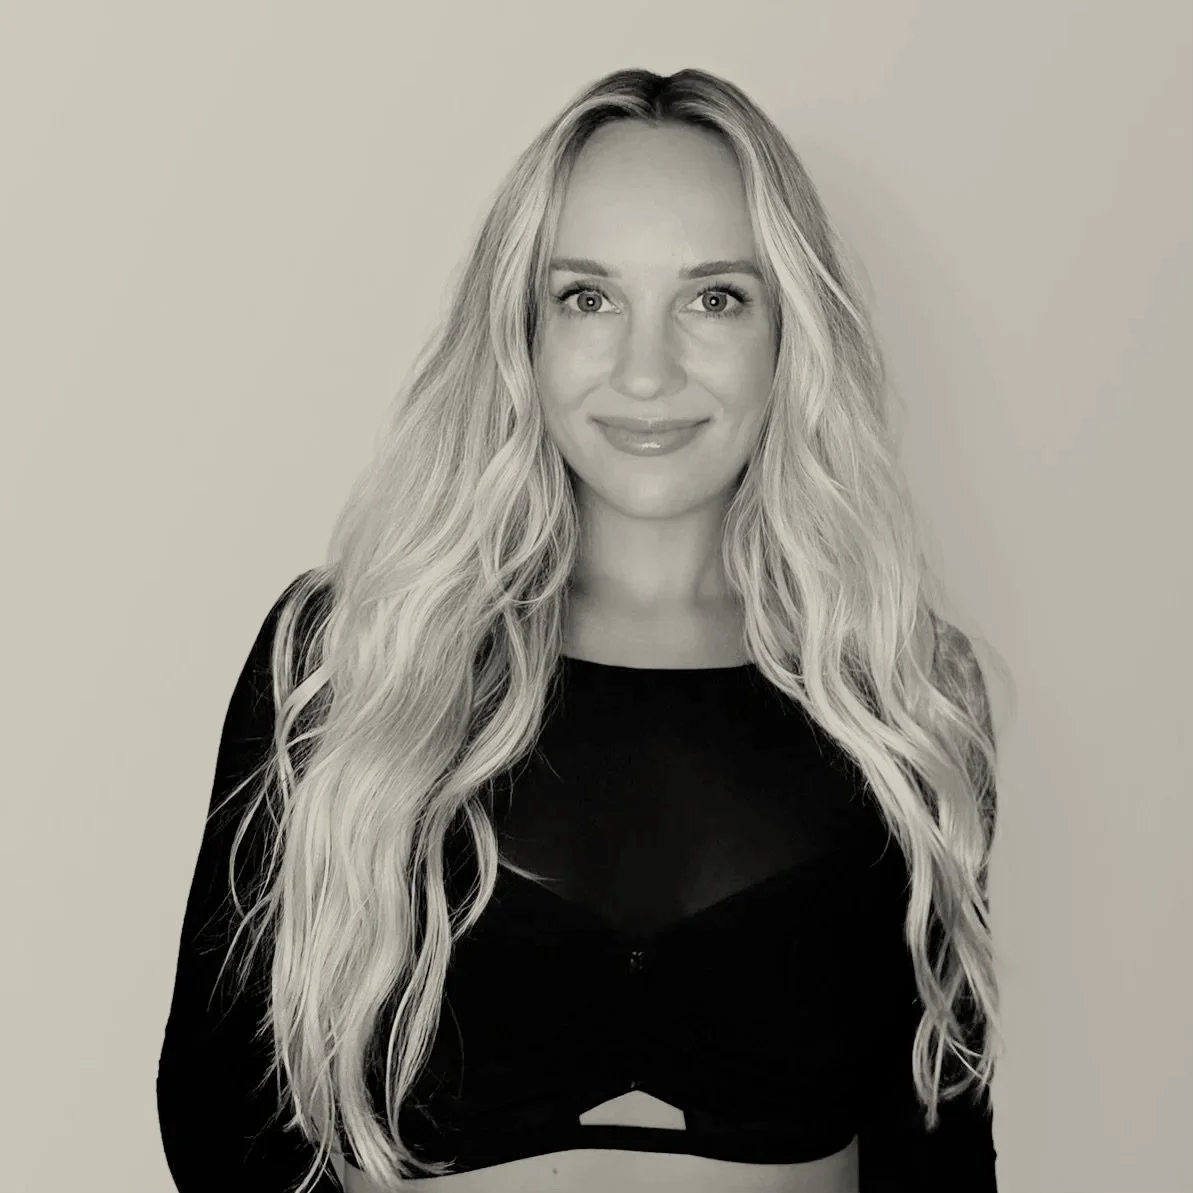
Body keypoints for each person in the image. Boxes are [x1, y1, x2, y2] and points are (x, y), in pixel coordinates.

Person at [157, 67, 1005, 1193]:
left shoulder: (902, 688)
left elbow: (936, 1148)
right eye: (587, 298)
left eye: (713, 298)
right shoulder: (346, 660)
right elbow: (221, 1115)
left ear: (788, 332)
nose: (644, 373)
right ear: (520, 330)